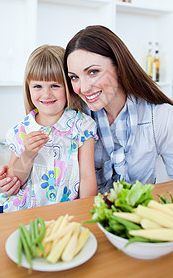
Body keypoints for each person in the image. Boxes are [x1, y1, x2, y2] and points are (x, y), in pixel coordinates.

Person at [0, 45, 97, 216]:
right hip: (19, 210)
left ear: (68, 87)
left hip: (63, 213)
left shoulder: (82, 127)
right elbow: (14, 179)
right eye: (38, 86)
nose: (46, 94)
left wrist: (86, 213)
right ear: (28, 88)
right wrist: (27, 154)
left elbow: (86, 176)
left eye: (55, 86)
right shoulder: (21, 130)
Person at [63, 25, 173, 193]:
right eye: (74, 77)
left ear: (120, 67)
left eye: (93, 72)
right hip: (83, 215)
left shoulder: (161, 116)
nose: (83, 88)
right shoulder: (75, 117)